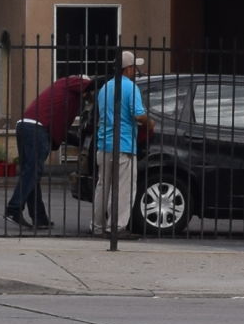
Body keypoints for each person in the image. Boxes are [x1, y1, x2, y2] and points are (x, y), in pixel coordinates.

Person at [16, 66, 94, 229]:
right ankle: (13, 207)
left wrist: (81, 142)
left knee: (32, 175)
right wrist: (112, 77)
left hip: (28, 127)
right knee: (32, 172)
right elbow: (91, 84)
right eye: (89, 94)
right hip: (36, 129)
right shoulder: (71, 82)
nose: (89, 98)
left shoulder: (66, 99)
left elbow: (61, 131)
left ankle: (40, 218)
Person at [92, 52, 152, 236]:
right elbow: (138, 114)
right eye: (134, 67)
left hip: (104, 144)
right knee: (124, 188)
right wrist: (149, 122)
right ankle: (116, 227)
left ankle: (97, 225)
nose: (136, 70)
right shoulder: (130, 88)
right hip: (124, 144)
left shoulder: (105, 88)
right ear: (128, 68)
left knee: (103, 185)